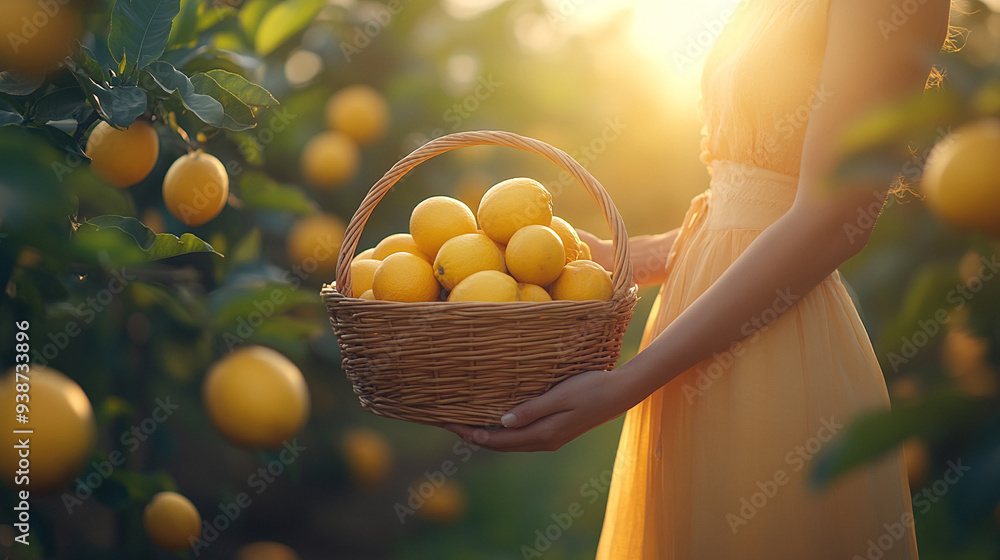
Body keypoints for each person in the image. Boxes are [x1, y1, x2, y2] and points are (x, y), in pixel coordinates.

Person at [445, 0, 953, 557]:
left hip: (777, 349)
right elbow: (742, 200)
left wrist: (625, 384)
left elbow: (834, 219)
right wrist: (625, 256)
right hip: (694, 338)